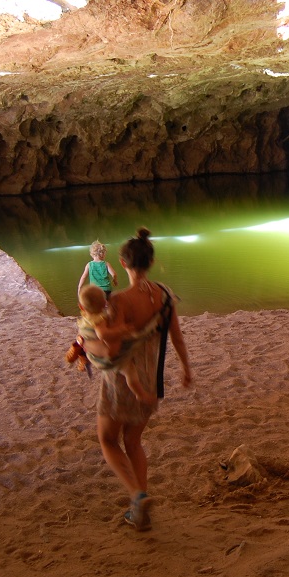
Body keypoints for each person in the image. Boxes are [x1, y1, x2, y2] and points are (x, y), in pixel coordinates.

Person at [97, 227, 192, 531]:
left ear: (123, 264)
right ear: (150, 263)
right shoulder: (164, 295)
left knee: (108, 440)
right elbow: (176, 336)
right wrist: (186, 369)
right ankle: (140, 510)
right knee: (134, 440)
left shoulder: (119, 302)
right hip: (153, 379)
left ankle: (137, 496)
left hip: (124, 381)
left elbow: (111, 346)